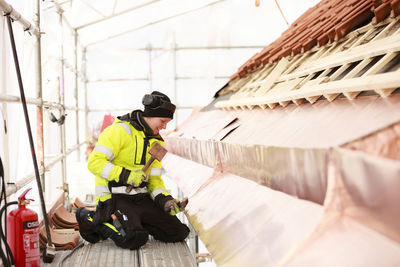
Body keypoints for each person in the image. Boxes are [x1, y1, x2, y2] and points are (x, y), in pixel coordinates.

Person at [76, 91, 190, 250]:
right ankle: (92, 218)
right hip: (115, 198)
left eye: (167, 122)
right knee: (134, 238)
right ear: (150, 115)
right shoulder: (119, 131)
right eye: (163, 121)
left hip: (141, 199)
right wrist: (127, 175)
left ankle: (133, 222)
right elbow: (94, 163)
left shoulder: (157, 143)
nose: (165, 126)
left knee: (179, 232)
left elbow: (155, 180)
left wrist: (165, 200)